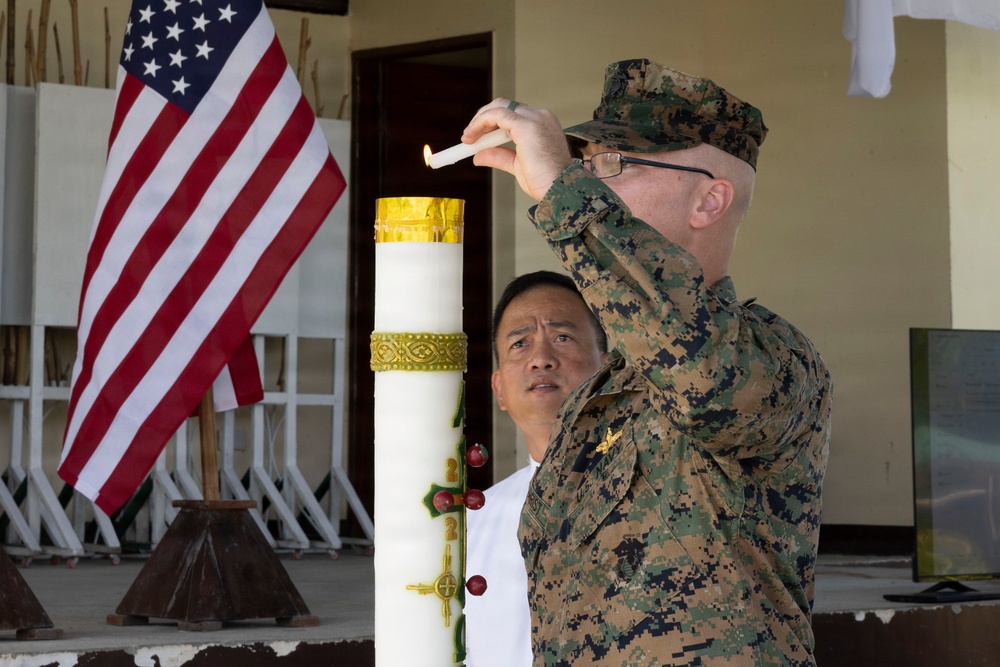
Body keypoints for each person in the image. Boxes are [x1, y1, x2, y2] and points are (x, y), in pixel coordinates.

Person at [463, 59, 833, 666]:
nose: (591, 183)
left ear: (708, 200)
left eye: (614, 164)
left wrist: (562, 190)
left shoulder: (771, 357)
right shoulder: (596, 396)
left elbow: (700, 370)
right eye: (585, 165)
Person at [465, 271, 608, 667]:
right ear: (499, 389)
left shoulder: (667, 490)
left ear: (609, 368)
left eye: (563, 337)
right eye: (520, 343)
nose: (541, 358)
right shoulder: (471, 522)